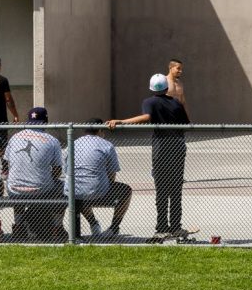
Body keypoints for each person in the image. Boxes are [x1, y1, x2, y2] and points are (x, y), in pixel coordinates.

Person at [108, 73, 192, 241]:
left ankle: (161, 227)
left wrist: (122, 121)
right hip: (178, 146)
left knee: (161, 190)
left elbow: (147, 117)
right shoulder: (176, 103)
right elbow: (187, 124)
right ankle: (175, 226)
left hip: (161, 147)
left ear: (151, 88)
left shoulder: (149, 102)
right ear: (167, 88)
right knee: (176, 189)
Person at [5, 107, 65, 241]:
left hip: (13, 188)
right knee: (64, 187)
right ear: (46, 121)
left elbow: (8, 163)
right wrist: (45, 178)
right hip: (41, 189)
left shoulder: (15, 137)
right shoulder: (52, 140)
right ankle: (57, 227)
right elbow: (57, 170)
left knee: (16, 186)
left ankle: (18, 225)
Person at [65, 119, 132, 239]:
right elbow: (112, 174)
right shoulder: (106, 145)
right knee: (126, 191)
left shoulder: (73, 143)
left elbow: (65, 170)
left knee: (81, 190)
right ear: (100, 130)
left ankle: (93, 223)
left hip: (73, 190)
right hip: (97, 191)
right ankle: (114, 227)